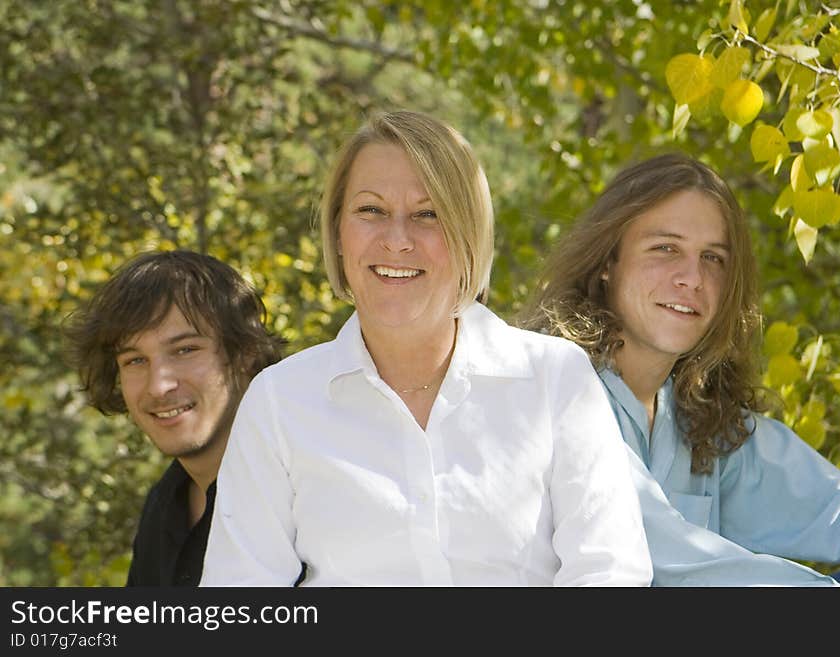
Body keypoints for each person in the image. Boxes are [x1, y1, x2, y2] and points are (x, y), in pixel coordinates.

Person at [200, 110, 652, 586]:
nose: (397, 240)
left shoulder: (555, 379)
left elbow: (609, 571)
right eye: (371, 211)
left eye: (428, 214)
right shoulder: (279, 403)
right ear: (337, 233)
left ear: (468, 236)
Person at [521, 152, 840, 586]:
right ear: (606, 265)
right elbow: (667, 563)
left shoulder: (695, 416)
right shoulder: (559, 391)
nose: (691, 277)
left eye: (713, 258)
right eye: (665, 248)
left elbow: (839, 503)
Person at [63, 250, 285, 586]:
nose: (159, 385)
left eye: (185, 350)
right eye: (135, 360)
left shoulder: (302, 490)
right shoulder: (164, 504)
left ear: (245, 355)